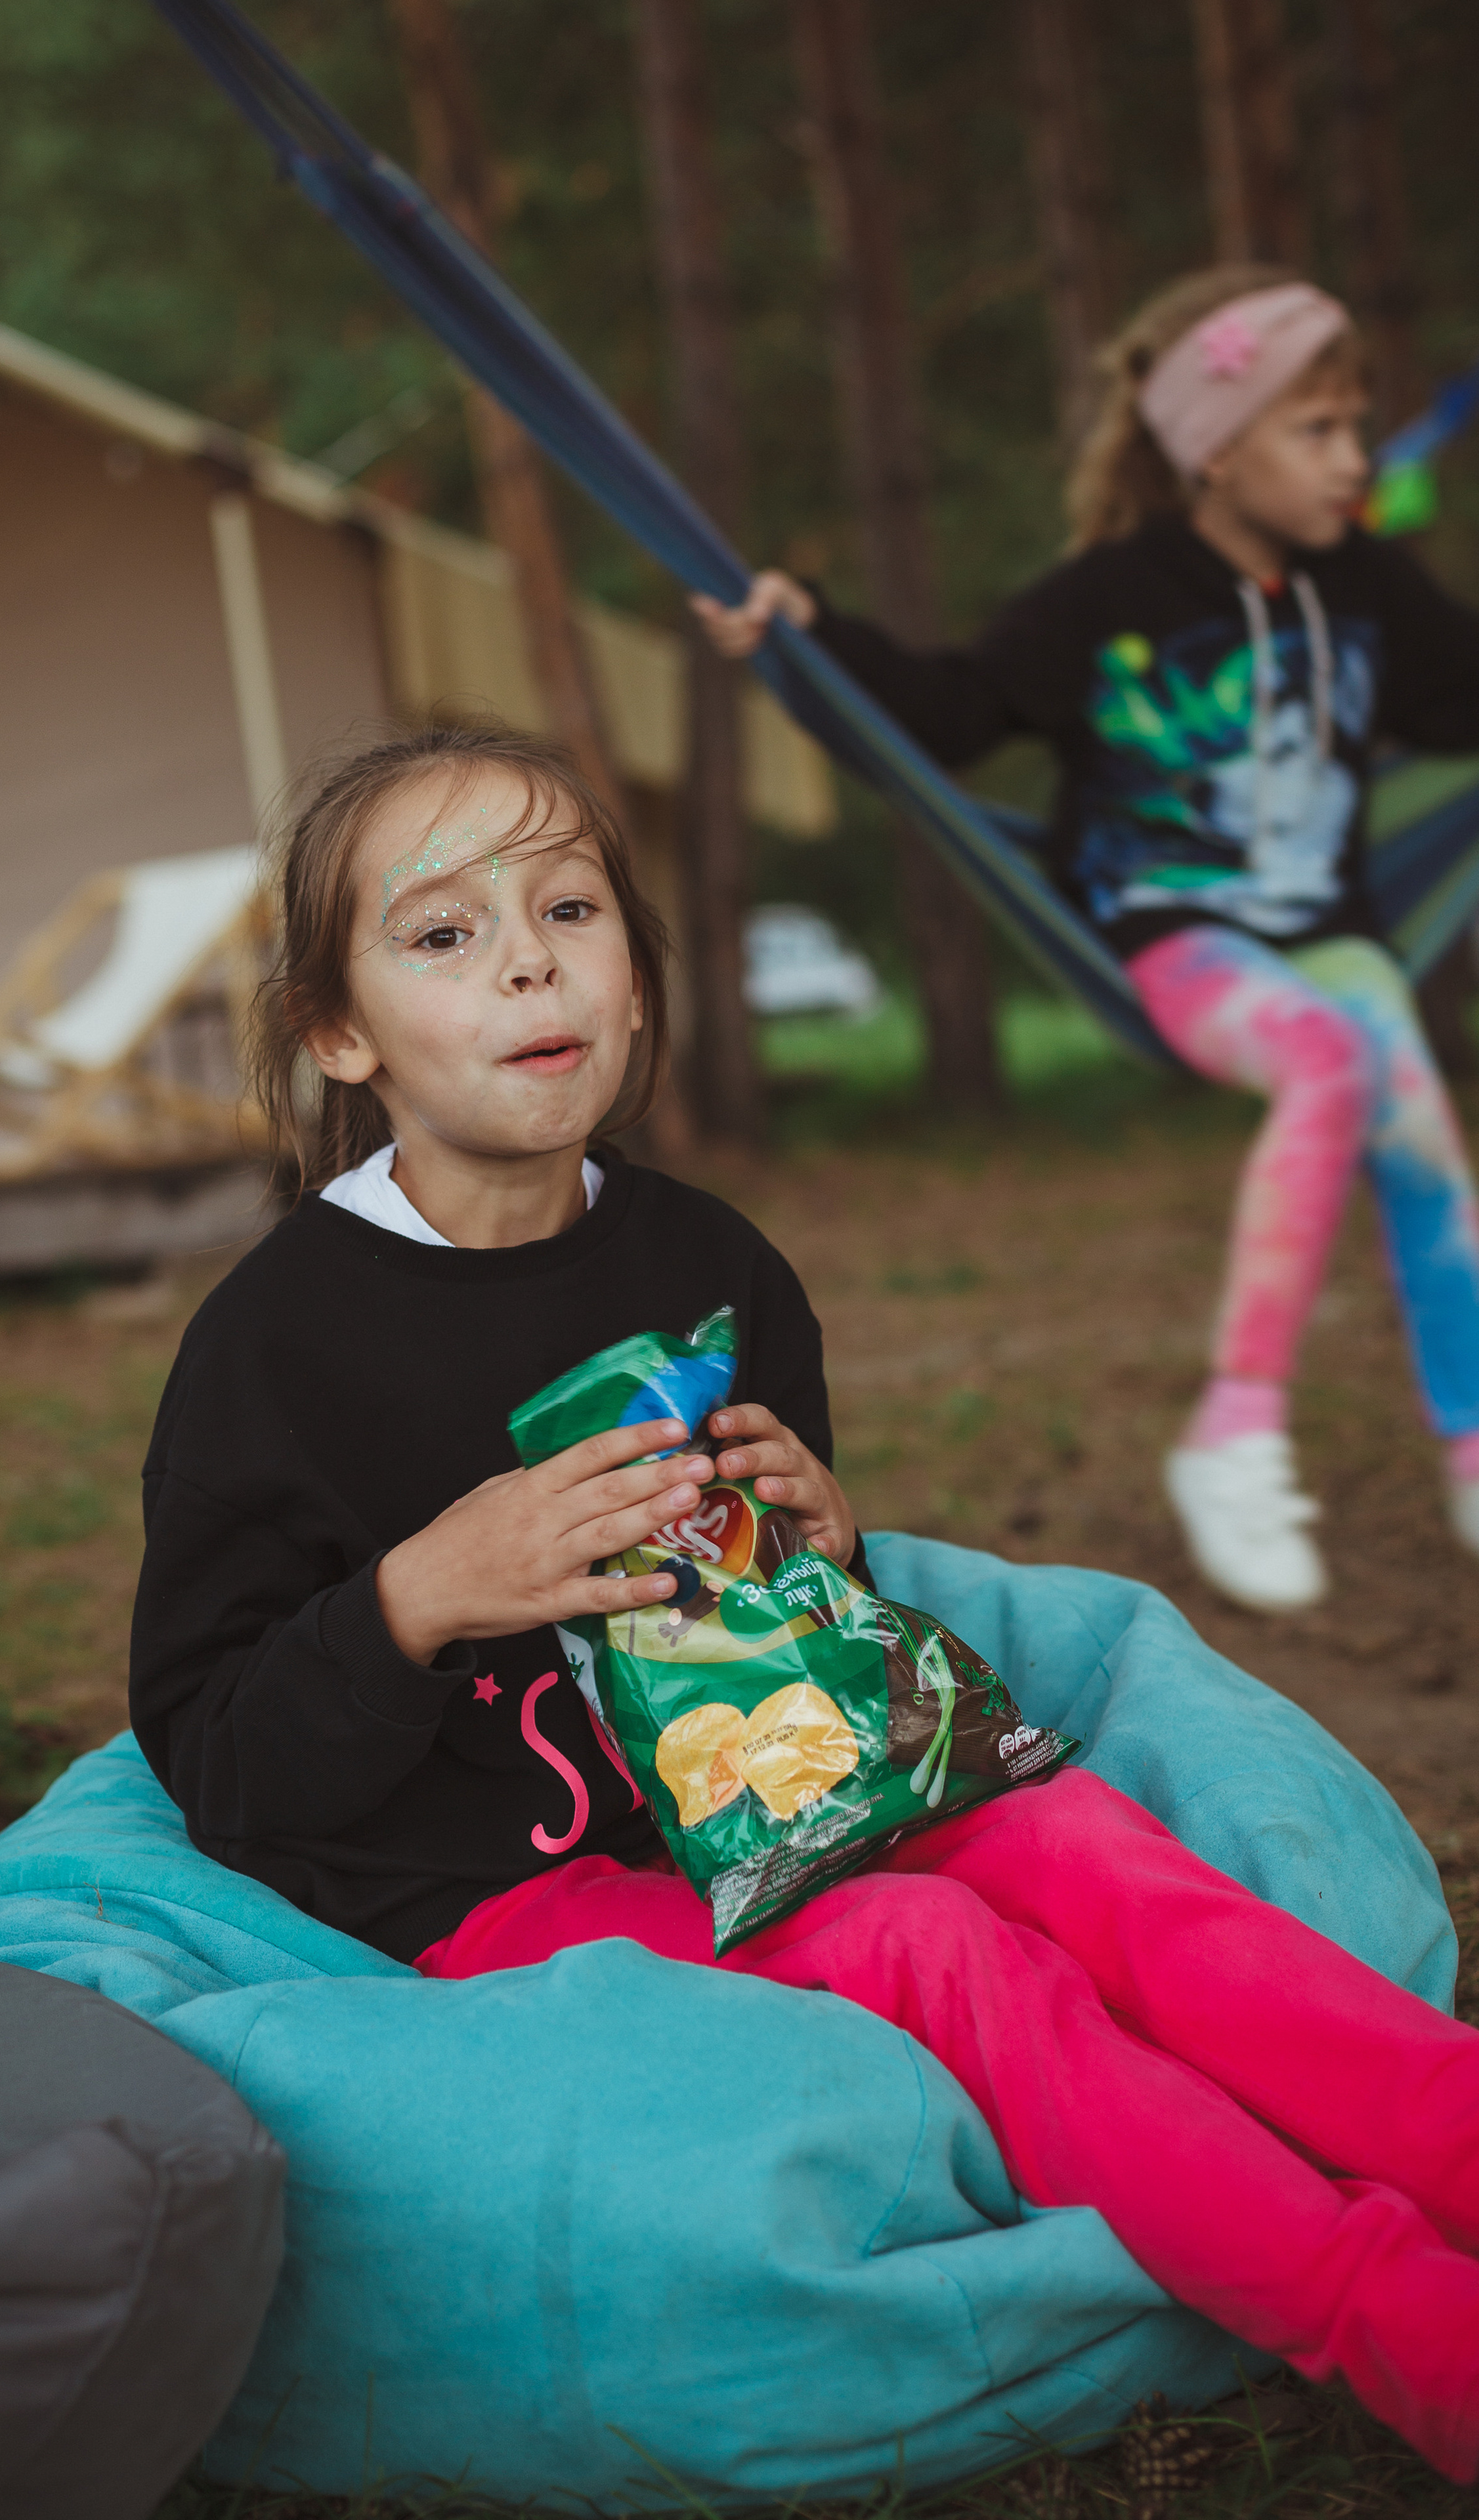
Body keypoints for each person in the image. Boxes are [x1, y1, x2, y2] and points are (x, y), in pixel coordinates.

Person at [131, 721, 1479, 2481]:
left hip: (793, 1783)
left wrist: (816, 1531)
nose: (530, 958)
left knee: (1081, 1849)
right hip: (513, 1886)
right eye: (444, 934)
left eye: (568, 907)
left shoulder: (708, 1260)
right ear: (339, 1029)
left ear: (632, 967)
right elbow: (218, 1752)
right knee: (937, 1951)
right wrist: (415, 1597)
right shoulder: (276, 1348)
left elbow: (788, 1600)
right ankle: (1396, 2322)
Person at [696, 267, 1479, 1617]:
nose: (1353, 460)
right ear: (1216, 448)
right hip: (1173, 934)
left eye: (1357, 429)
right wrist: (811, 636)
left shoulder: (1362, 587)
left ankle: (1469, 1442)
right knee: (1324, 1064)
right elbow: (945, 710)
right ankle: (1233, 1432)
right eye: (1319, 431)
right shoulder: (1106, 596)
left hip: (1334, 932)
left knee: (1415, 1126)